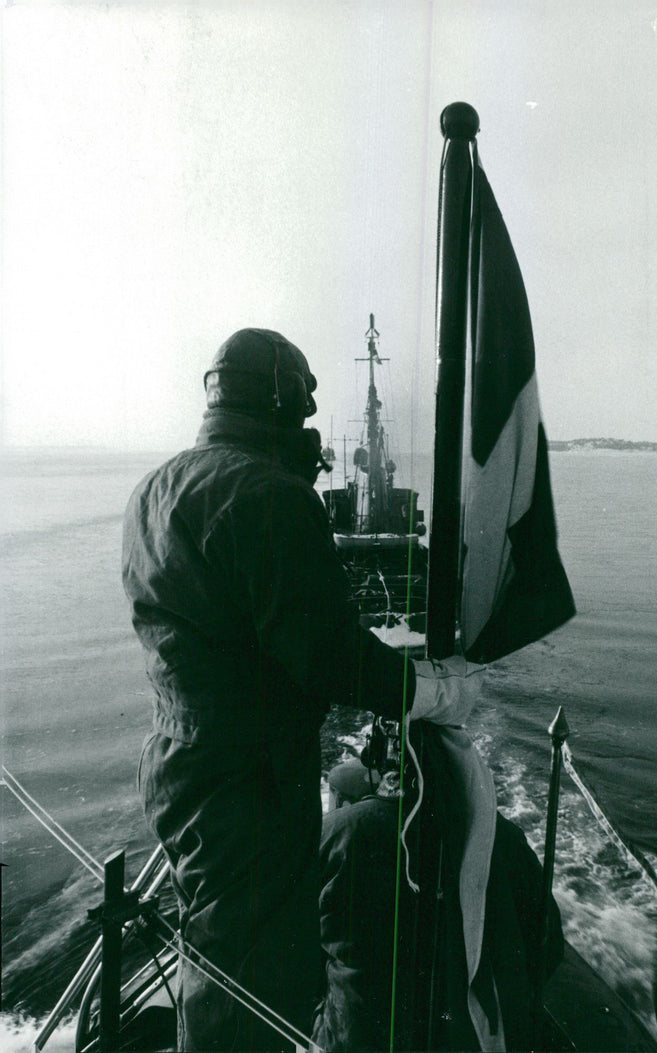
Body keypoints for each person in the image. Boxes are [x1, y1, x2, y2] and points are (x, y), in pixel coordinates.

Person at [122, 328, 483, 1051]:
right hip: (251, 779)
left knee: (216, 942)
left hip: (179, 763)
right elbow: (329, 657)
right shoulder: (268, 494)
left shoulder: (153, 489)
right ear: (282, 396)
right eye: (304, 401)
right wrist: (431, 691)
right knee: (260, 971)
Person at [313, 726, 564, 1052]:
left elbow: (294, 951)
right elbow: (547, 946)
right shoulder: (502, 838)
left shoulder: (337, 833)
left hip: (354, 1037)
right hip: (464, 1038)